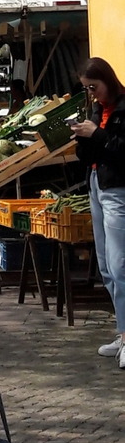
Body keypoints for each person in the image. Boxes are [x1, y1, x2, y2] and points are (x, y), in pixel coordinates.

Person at [74, 57, 125, 367]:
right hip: (96, 184)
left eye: (94, 87)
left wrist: (97, 135)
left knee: (120, 266)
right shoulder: (97, 110)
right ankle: (122, 332)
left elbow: (120, 149)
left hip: (117, 188)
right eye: (87, 89)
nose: (92, 94)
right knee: (106, 266)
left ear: (108, 80)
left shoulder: (122, 108)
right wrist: (82, 139)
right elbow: (90, 153)